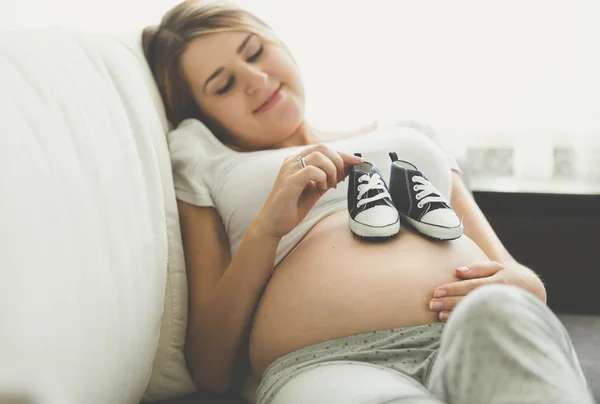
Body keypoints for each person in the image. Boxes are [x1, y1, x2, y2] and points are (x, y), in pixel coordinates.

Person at [142, 1, 595, 403]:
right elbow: (212, 369)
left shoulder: (408, 132)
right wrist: (266, 228)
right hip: (330, 366)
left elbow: (512, 273)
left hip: (477, 323)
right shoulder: (209, 158)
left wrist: (524, 286)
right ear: (204, 115)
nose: (256, 80)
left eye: (256, 51)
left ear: (281, 43)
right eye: (223, 85)